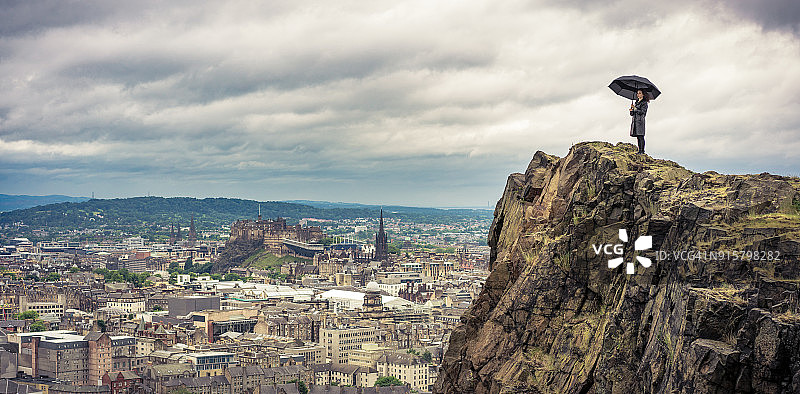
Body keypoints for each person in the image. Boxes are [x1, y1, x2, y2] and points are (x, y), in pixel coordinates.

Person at [629, 89, 649, 154]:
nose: (638, 94)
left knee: (641, 136)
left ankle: (642, 151)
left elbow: (642, 112)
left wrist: (635, 108)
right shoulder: (636, 102)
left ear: (643, 94)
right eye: (637, 93)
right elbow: (632, 114)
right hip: (635, 121)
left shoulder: (644, 103)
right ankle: (639, 150)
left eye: (640, 93)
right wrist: (631, 110)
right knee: (638, 136)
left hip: (640, 121)